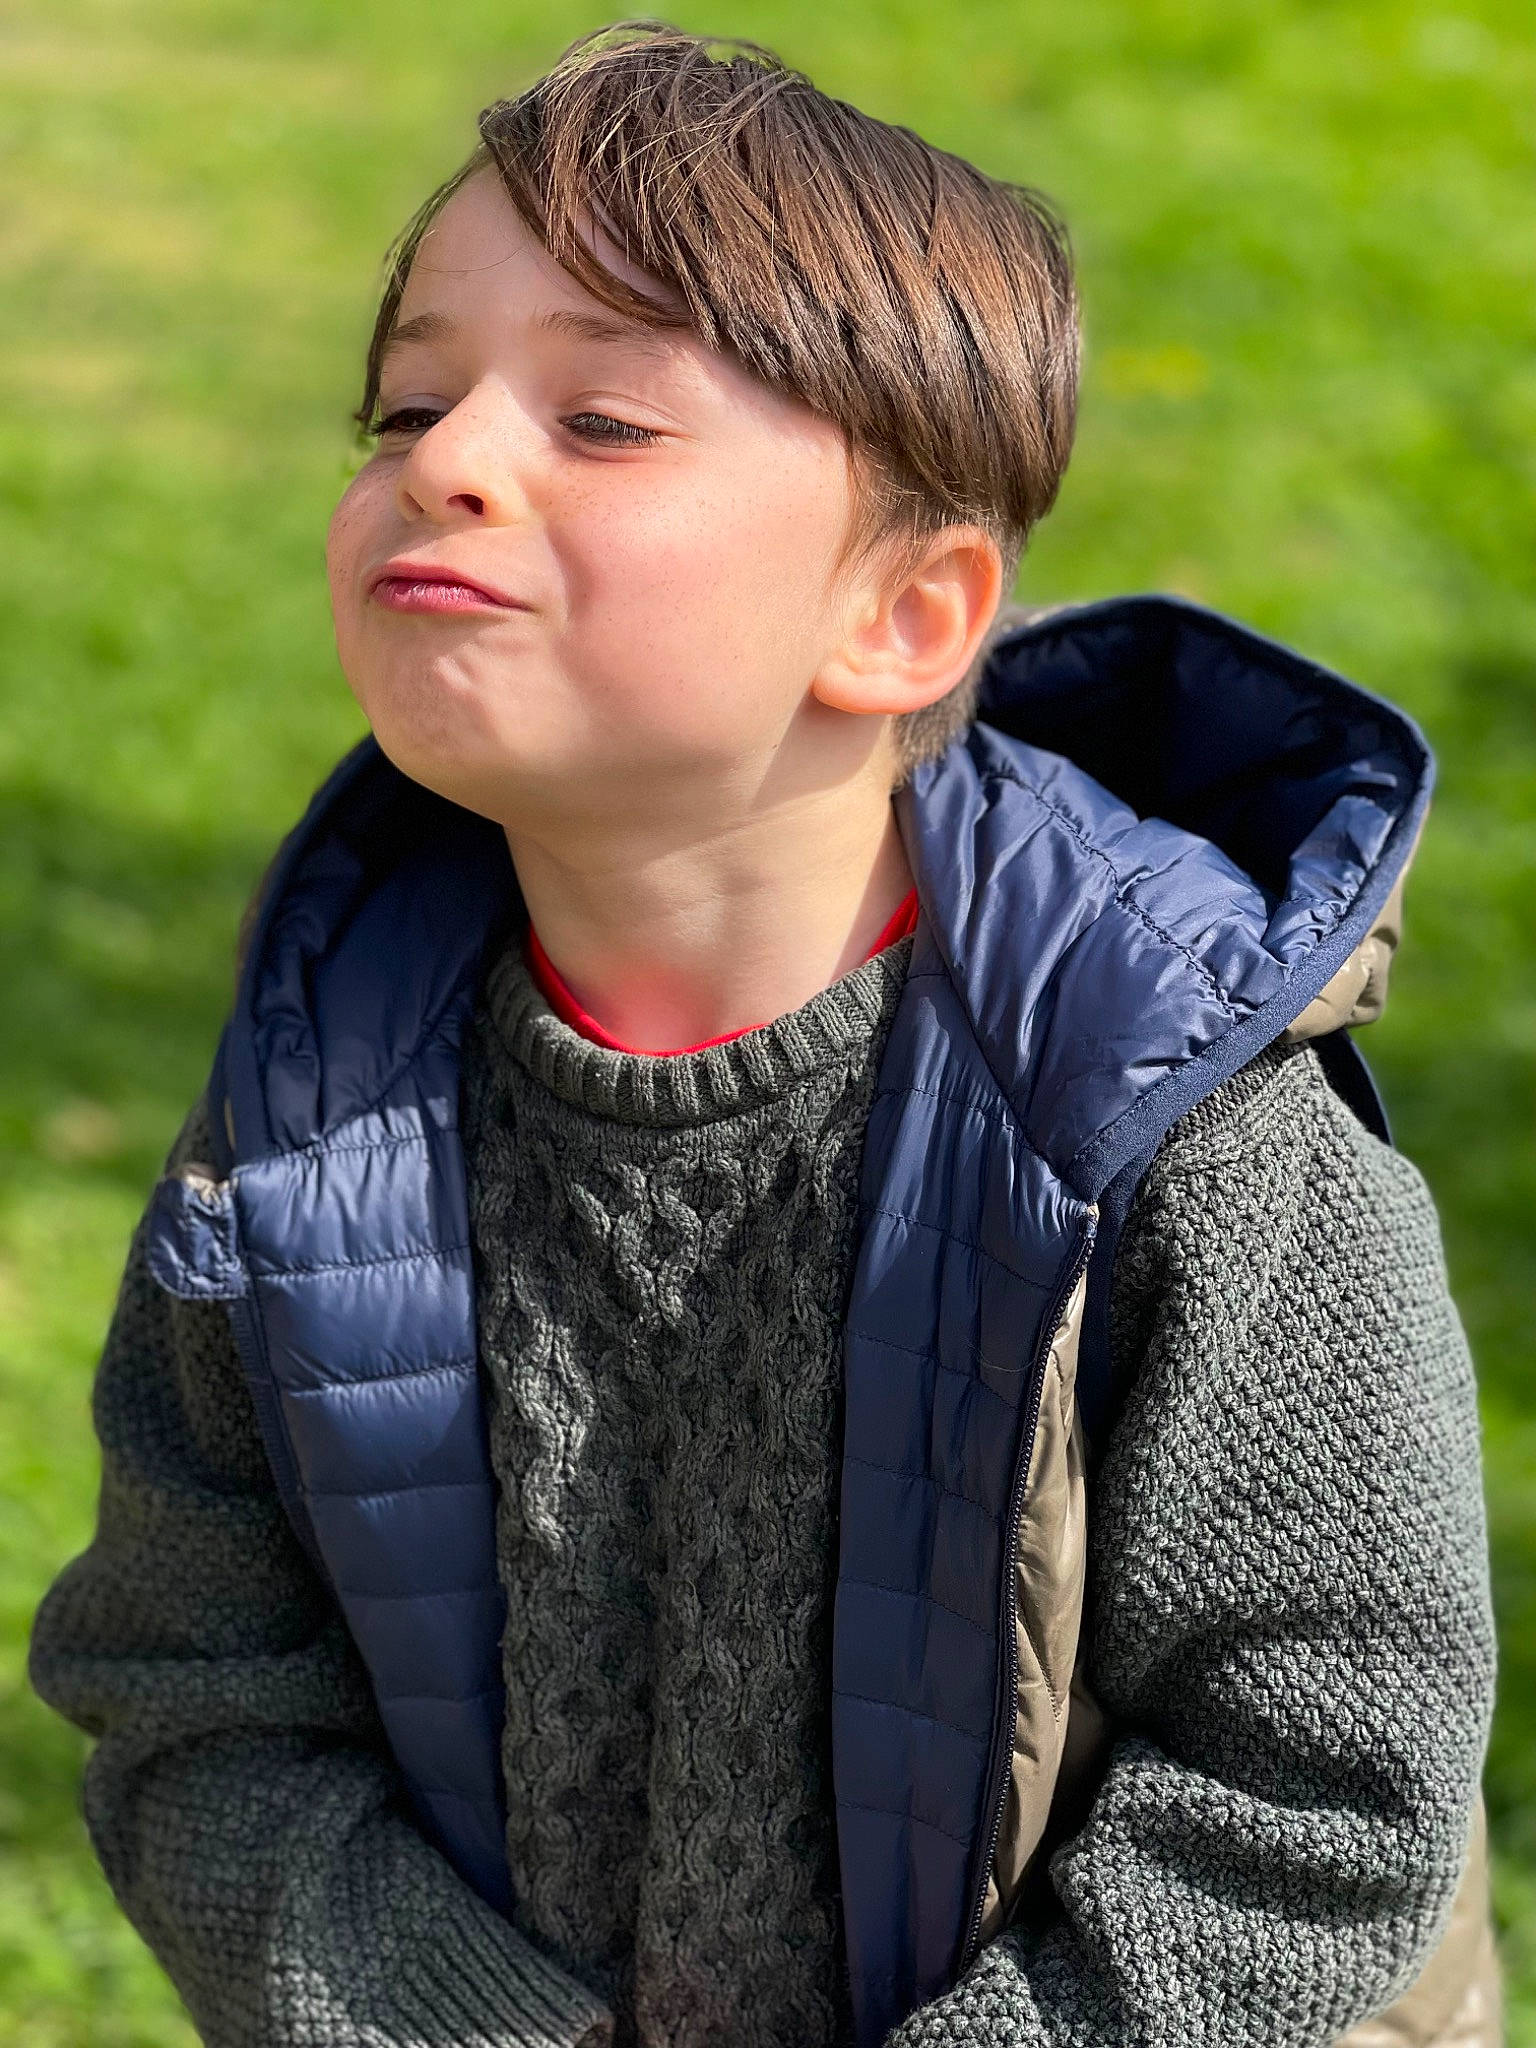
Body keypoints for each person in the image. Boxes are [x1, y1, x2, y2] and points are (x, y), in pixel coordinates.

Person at [28, 21, 1500, 2048]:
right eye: (408, 401)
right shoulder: (313, 1116)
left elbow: (1314, 1790)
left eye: (606, 420)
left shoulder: (1184, 1129)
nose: (447, 457)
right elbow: (199, 1693)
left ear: (899, 617)